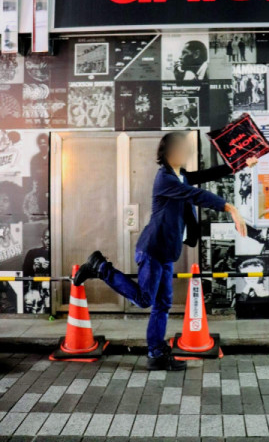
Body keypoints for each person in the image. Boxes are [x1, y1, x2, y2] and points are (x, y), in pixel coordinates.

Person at [74, 132, 255, 371]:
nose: (187, 152)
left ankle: (156, 354)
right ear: (169, 153)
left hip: (167, 252)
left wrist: (241, 164)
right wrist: (229, 207)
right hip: (152, 250)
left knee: (162, 305)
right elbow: (197, 195)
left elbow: (208, 175)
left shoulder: (182, 176)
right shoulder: (165, 179)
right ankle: (100, 267)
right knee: (144, 299)